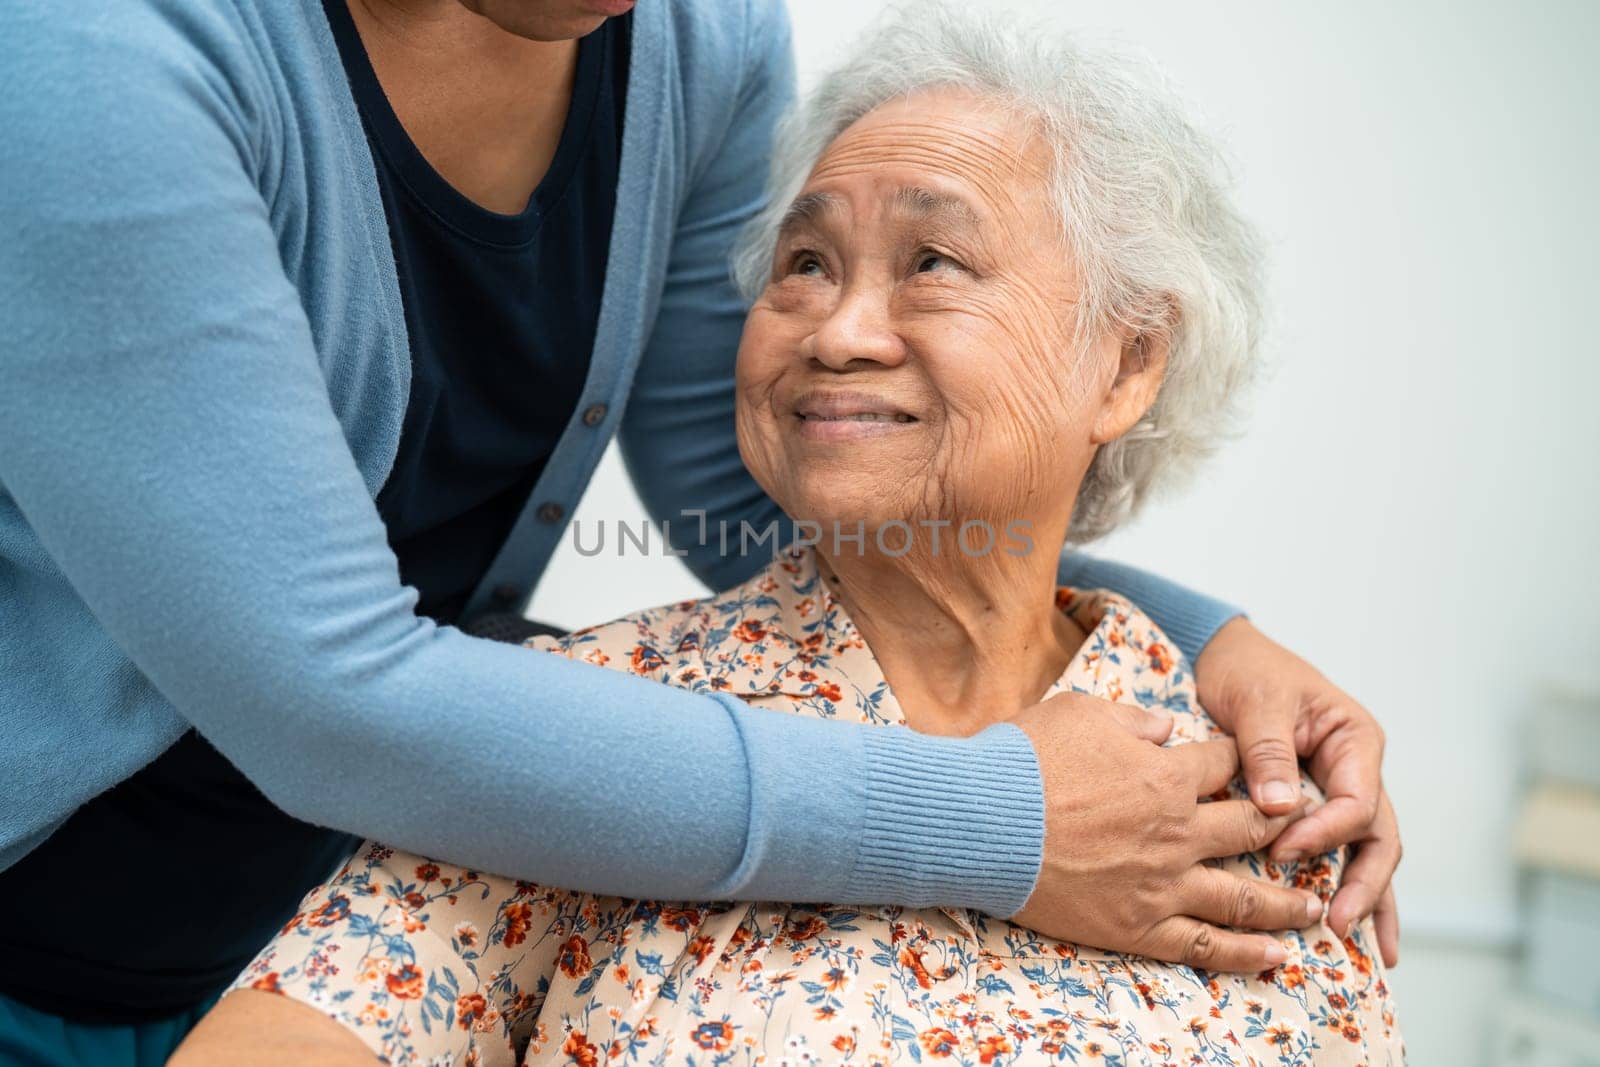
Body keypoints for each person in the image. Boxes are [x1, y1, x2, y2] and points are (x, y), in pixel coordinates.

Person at [0, 0, 1398, 1061]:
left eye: (934, 263)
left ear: (1130, 361)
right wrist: (999, 818)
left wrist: (1203, 636)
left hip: (274, 865)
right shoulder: (95, 60)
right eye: (802, 263)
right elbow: (336, 697)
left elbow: (760, 512)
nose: (841, 328)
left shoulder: (1236, 795)